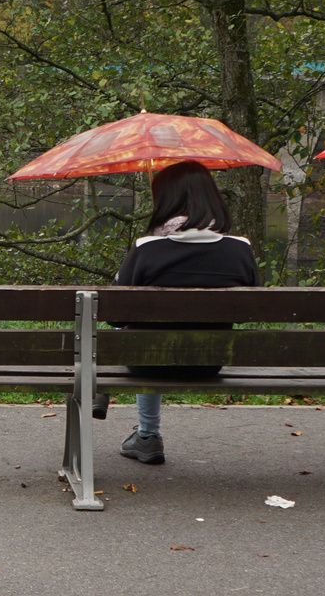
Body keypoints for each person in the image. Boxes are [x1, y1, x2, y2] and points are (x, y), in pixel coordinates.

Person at [110, 160, 260, 465]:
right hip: (207, 362)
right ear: (212, 198)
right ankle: (146, 434)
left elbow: (115, 315)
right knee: (145, 337)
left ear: (167, 200)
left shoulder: (147, 249)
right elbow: (250, 310)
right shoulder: (240, 250)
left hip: (148, 365)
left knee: (138, 337)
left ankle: (148, 435)